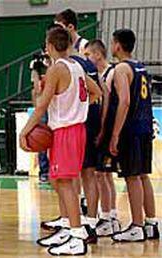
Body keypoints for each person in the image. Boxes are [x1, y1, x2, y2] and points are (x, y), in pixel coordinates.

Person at [20, 27, 101, 255]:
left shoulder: (57, 68)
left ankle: (77, 236)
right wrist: (77, 107)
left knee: (64, 183)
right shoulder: (76, 66)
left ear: (50, 46)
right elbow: (96, 92)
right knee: (60, 181)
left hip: (66, 130)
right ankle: (68, 227)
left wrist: (24, 132)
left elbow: (42, 105)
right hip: (73, 129)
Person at [108, 29, 159, 242]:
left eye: (112, 43)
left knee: (131, 177)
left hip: (132, 129)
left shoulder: (121, 68)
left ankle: (136, 225)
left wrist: (115, 134)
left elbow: (125, 101)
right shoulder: (141, 67)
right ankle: (151, 223)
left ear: (118, 45)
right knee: (142, 176)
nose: (111, 46)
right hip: (146, 127)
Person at [84, 39, 121, 236]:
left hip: (107, 128)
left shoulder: (111, 73)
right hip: (103, 128)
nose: (86, 58)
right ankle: (110, 215)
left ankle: (109, 216)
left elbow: (109, 101)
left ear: (98, 54)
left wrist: (104, 128)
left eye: (88, 54)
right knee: (103, 175)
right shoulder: (99, 74)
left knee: (103, 174)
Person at [29, 47, 51, 183]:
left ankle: (54, 169)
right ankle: (44, 171)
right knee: (42, 139)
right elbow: (35, 89)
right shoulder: (37, 66)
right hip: (43, 105)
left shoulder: (58, 64)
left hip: (55, 107)